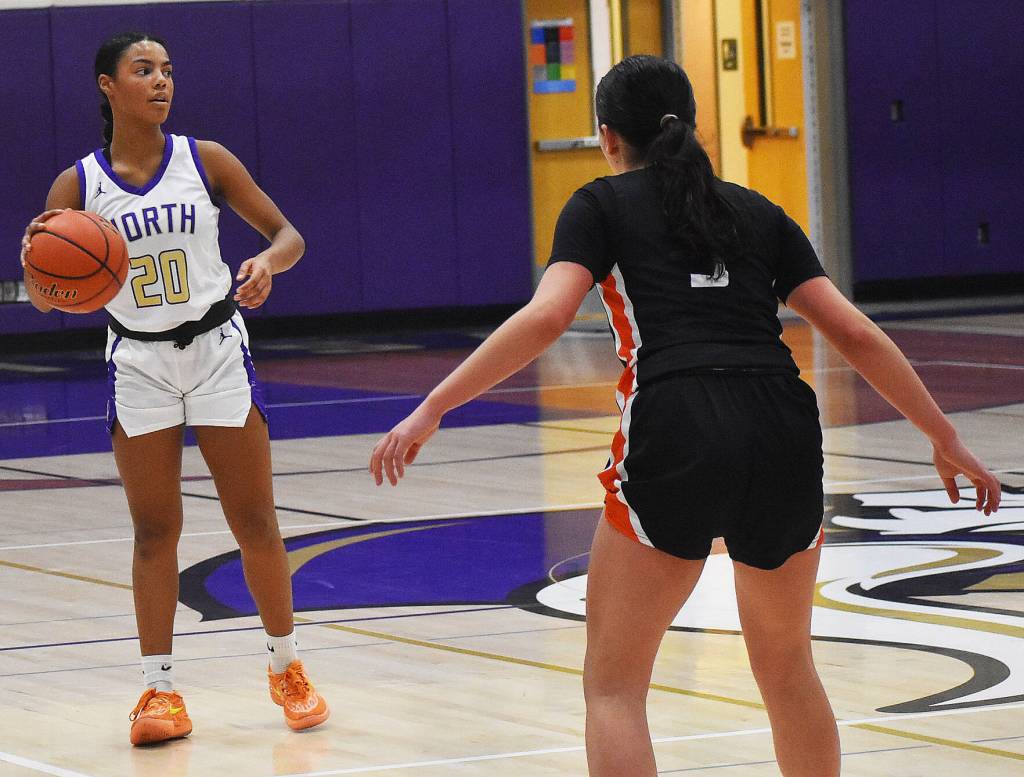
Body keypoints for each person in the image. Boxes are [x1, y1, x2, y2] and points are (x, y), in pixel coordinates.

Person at [369, 56, 1000, 776]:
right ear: (693, 125)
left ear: (608, 137)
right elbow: (853, 332)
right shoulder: (758, 211)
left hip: (676, 420)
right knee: (788, 665)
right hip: (782, 423)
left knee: (614, 686)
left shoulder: (599, 205)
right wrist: (943, 436)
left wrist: (433, 406)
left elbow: (546, 317)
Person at [19, 32, 329, 746]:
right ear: (108, 85)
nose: (161, 81)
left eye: (166, 70)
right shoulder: (77, 186)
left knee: (254, 520)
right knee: (154, 530)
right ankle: (159, 690)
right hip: (139, 360)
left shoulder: (205, 159)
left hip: (216, 349)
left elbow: (289, 234)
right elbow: (42, 297)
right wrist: (39, 262)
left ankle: (286, 666)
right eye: (143, 70)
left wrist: (268, 263)